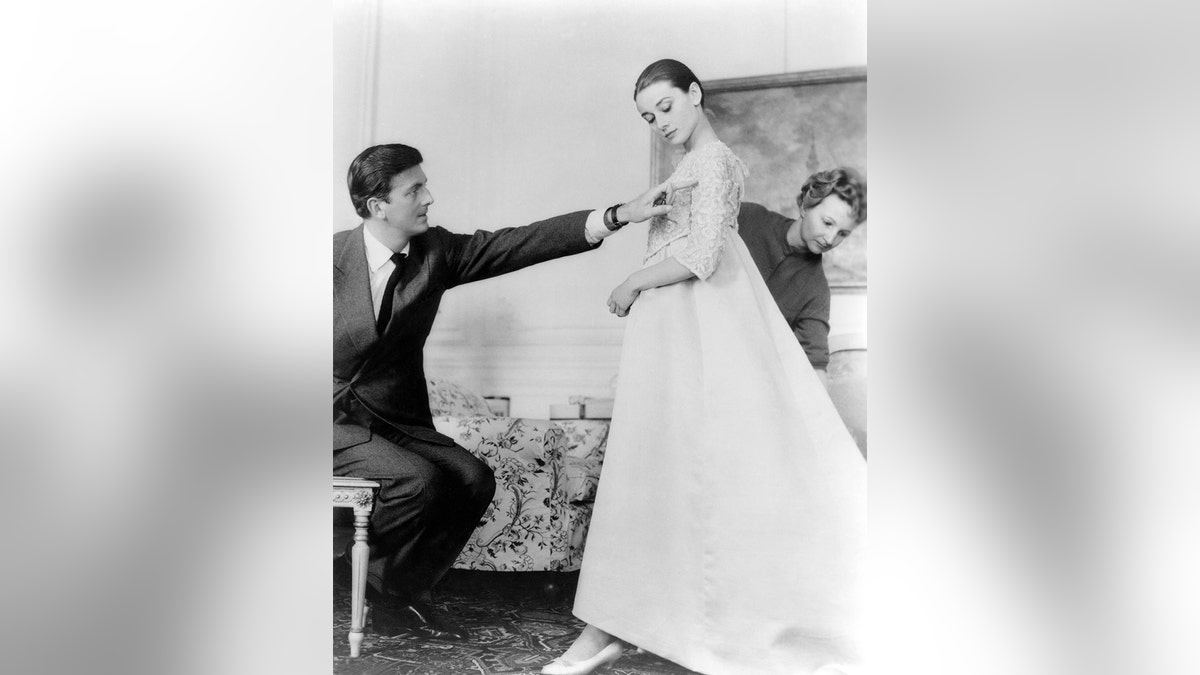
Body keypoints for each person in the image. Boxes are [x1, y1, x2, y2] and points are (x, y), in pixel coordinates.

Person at [543, 60, 867, 675]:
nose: (659, 123)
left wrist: (632, 283)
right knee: (660, 476)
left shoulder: (715, 162)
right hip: (681, 338)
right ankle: (622, 622)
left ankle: (653, 626)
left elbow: (698, 255)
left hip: (704, 344)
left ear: (695, 95)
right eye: (648, 116)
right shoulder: (694, 171)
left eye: (666, 106)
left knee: (689, 480)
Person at [333, 143, 690, 641]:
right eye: (415, 189)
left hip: (395, 418)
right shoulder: (324, 260)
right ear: (378, 206)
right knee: (419, 483)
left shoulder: (434, 252)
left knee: (473, 479)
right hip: (327, 421)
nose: (429, 197)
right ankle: (339, 567)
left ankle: (392, 589)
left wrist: (617, 216)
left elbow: (519, 243)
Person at [737, 168, 867, 381]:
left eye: (843, 233)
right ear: (806, 206)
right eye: (827, 223)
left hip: (744, 379)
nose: (830, 238)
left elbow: (815, 366)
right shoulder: (749, 218)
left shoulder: (816, 292)